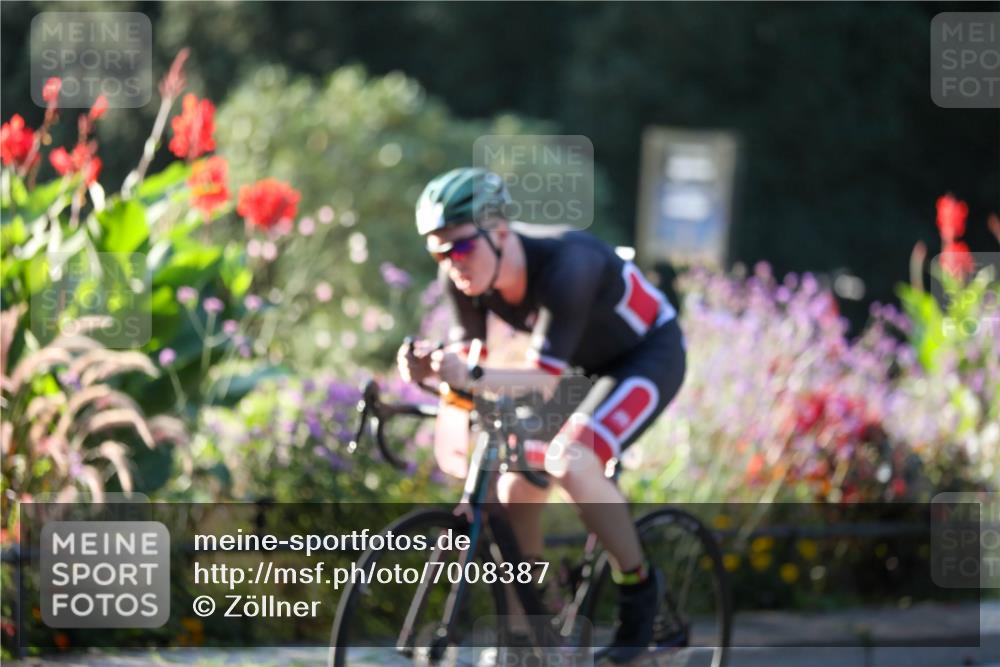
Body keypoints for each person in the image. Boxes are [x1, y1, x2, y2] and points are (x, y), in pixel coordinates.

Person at [397, 167, 687, 664]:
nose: (451, 263)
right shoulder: (462, 276)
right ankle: (533, 627)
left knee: (572, 457)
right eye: (437, 251)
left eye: (461, 247)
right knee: (514, 485)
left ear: (501, 231)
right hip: (580, 364)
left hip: (645, 355)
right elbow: (471, 366)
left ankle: (641, 593)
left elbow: (540, 379)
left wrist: (467, 374)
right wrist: (430, 373)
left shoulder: (567, 263)